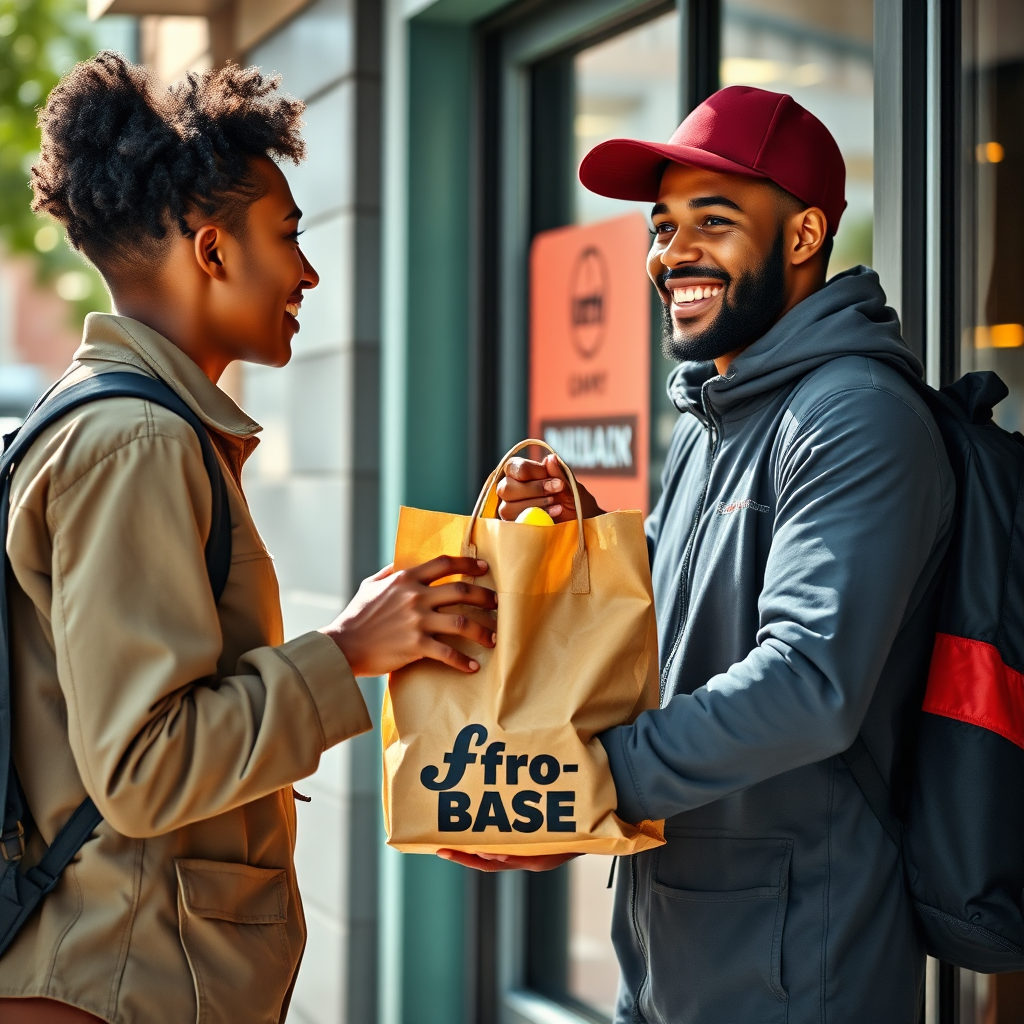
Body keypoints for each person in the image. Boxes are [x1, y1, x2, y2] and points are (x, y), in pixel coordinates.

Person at [0, 54, 497, 1024]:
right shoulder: (135, 440)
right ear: (213, 250)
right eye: (288, 237)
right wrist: (348, 649)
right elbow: (144, 769)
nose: (308, 271)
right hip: (118, 985)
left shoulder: (117, 422)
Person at [452, 86, 956, 1022]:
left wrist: (578, 785)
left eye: (712, 222)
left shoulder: (854, 416)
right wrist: (590, 532)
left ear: (804, 237)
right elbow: (688, 601)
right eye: (661, 225)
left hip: (800, 965)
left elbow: (808, 680)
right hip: (680, 949)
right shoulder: (719, 414)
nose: (671, 253)